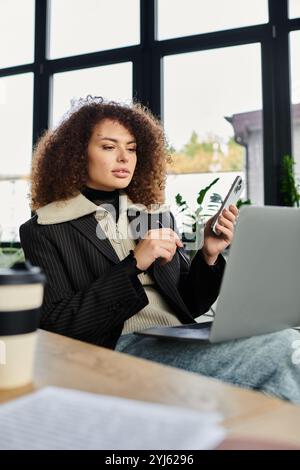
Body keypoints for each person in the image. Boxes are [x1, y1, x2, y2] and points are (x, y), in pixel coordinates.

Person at [20, 96, 300, 404]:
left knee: (288, 343)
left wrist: (208, 254)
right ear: (76, 154)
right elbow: (60, 325)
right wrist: (134, 264)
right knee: (284, 347)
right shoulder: (44, 229)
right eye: (109, 147)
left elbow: (189, 304)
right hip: (120, 347)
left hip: (177, 337)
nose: (124, 158)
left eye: (131, 148)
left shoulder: (154, 215)